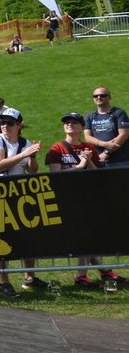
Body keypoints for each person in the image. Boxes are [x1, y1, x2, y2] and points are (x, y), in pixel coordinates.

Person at [41, 112, 120, 289]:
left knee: (88, 235)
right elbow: (55, 175)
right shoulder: (57, 148)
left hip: (87, 197)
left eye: (74, 123)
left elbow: (99, 175)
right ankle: (89, 274)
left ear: (81, 127)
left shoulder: (88, 148)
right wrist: (79, 167)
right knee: (83, 235)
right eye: (67, 123)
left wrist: (89, 161)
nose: (70, 125)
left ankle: (96, 272)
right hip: (66, 198)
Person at [0, 107, 45, 297]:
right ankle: (4, 282)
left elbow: (33, 171)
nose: (4, 126)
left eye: (9, 123)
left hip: (22, 195)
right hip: (1, 194)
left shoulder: (25, 142)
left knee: (27, 236)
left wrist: (33, 157)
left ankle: (30, 277)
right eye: (2, 122)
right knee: (3, 239)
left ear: (19, 125)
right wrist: (24, 154)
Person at [84, 87, 129, 168]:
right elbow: (87, 137)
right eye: (95, 96)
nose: (99, 97)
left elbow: (124, 134)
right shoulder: (90, 116)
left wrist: (106, 153)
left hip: (119, 161)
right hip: (98, 160)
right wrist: (105, 144)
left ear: (109, 97)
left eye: (103, 95)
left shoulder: (119, 113)